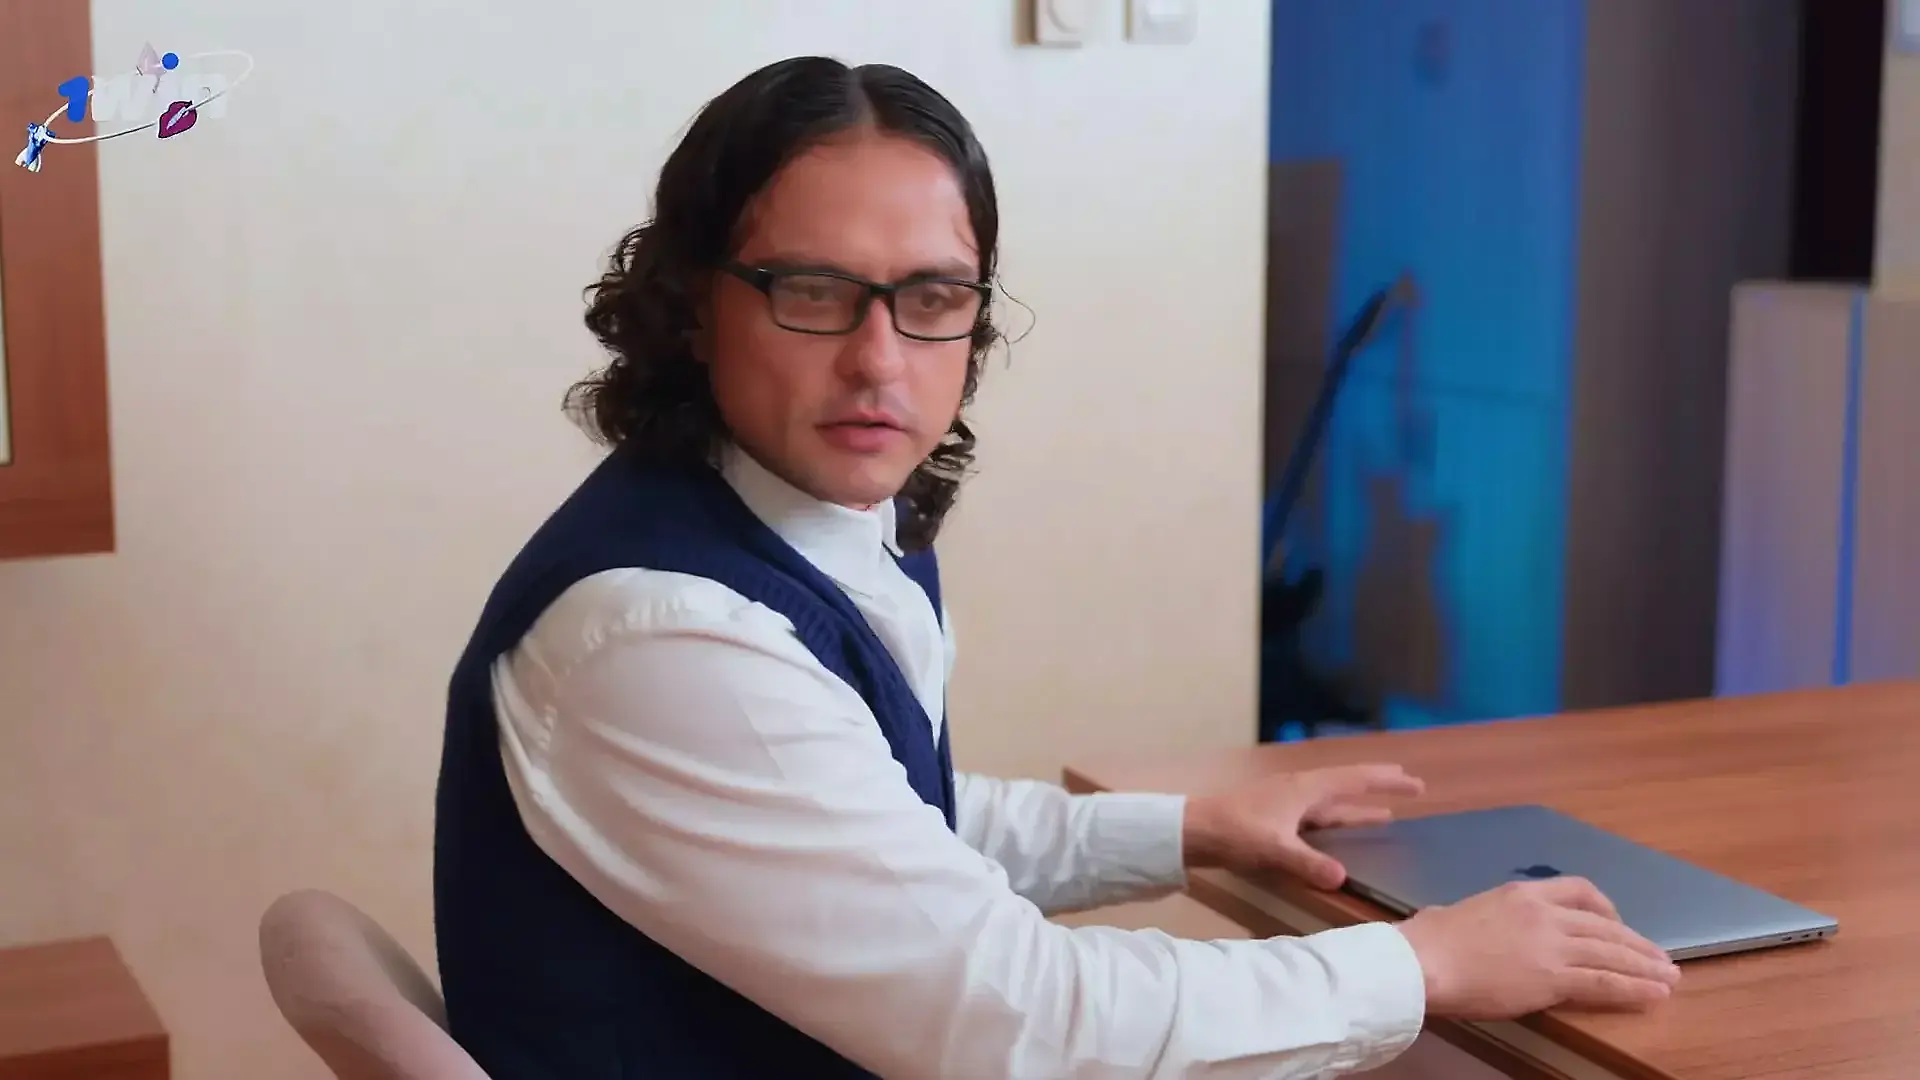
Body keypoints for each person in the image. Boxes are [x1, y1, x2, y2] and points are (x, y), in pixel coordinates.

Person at [432, 56, 1681, 1080]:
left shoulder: (804, 520)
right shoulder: (663, 634)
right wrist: (1427, 965)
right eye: (813, 290)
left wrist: (1189, 832)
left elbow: (882, 824)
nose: (880, 359)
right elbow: (1015, 1024)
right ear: (694, 306)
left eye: (933, 298)